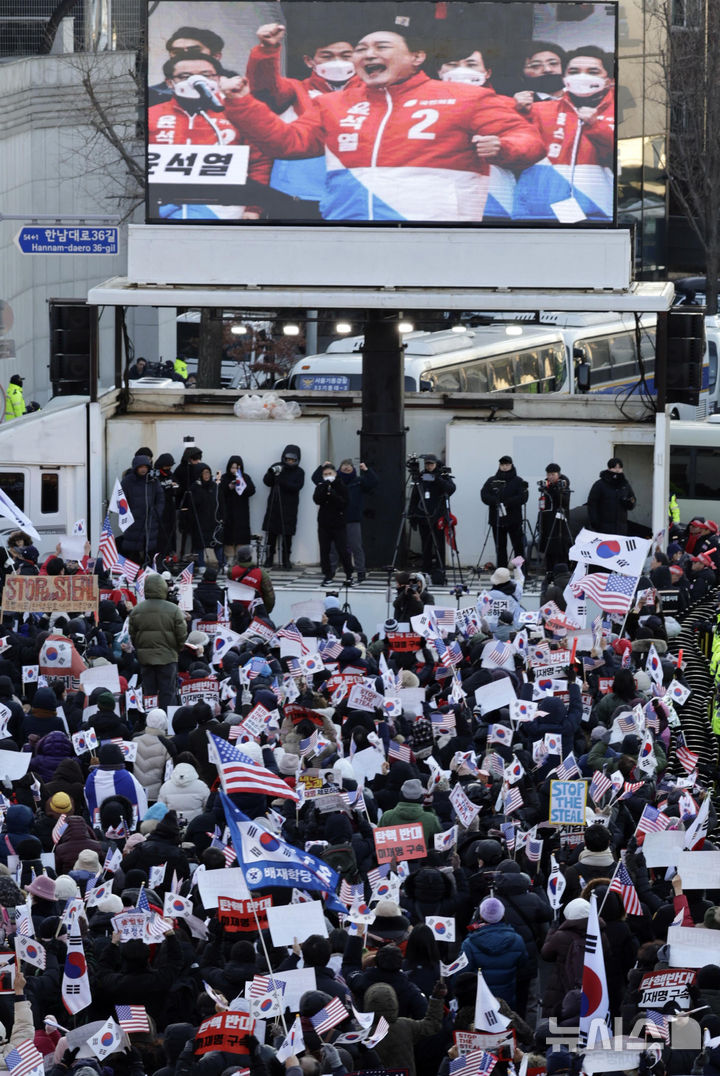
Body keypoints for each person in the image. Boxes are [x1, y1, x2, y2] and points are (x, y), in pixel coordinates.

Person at [224, 21, 545, 221]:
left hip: (438, 231)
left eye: (381, 47)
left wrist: (503, 148)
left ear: (416, 57)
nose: (367, 54)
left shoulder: (466, 97)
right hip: (350, 228)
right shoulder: (333, 103)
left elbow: (529, 140)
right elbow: (287, 142)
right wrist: (242, 103)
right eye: (361, 49)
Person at [245, 21, 360, 218]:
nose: (337, 61)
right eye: (327, 56)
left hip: (351, 192)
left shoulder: (372, 94)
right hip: (295, 193)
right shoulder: (295, 89)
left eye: (345, 56)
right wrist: (267, 49)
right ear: (309, 61)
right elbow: (264, 87)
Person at [147, 52, 270, 221]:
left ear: (218, 79)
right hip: (164, 208)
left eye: (206, 75)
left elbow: (260, 162)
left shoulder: (238, 113)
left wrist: (254, 208)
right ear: (169, 83)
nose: (196, 82)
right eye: (185, 76)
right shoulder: (151, 115)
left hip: (225, 210)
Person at [513, 46, 615, 222]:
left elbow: (626, 161)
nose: (582, 76)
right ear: (564, 78)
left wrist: (596, 126)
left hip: (598, 211)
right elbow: (515, 152)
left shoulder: (620, 112)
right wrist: (516, 111)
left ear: (609, 80)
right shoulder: (537, 110)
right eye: (574, 71)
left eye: (593, 71)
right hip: (539, 211)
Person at [128, 571, 188, 708]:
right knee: (168, 692)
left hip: (146, 658)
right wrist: (176, 649)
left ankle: (150, 720)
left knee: (149, 693)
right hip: (168, 657)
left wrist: (141, 650)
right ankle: (169, 722)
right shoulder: (174, 610)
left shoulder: (137, 610)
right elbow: (182, 634)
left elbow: (133, 636)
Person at [148, 25, 227, 106]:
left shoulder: (234, 90)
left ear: (216, 56)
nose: (185, 55)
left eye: (194, 51)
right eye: (177, 52)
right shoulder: (153, 94)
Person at [408, 455, 456, 585]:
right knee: (426, 544)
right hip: (423, 516)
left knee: (438, 543)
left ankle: (439, 568)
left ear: (436, 464)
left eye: (431, 464)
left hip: (438, 516)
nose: (429, 466)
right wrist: (412, 514)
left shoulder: (442, 476)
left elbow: (451, 489)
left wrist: (437, 479)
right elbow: (415, 496)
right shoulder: (422, 477)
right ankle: (426, 569)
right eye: (427, 464)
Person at [332, 459, 377, 582]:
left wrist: (367, 470)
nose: (346, 468)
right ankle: (330, 572)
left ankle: (361, 572)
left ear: (353, 468)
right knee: (334, 547)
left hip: (353, 519)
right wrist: (323, 467)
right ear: (339, 468)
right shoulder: (334, 480)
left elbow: (373, 482)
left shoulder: (358, 481)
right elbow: (316, 479)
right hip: (337, 519)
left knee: (356, 547)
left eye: (349, 466)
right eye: (344, 466)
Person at [481, 455, 528, 568]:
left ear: (511, 465)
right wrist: (496, 501)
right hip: (497, 521)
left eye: (507, 465)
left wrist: (507, 502)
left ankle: (520, 571)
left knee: (518, 547)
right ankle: (502, 572)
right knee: (500, 548)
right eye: (502, 465)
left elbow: (523, 497)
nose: (505, 467)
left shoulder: (518, 481)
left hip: (514, 520)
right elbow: (484, 495)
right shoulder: (492, 480)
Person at [262, 444, 305, 569]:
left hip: (290, 507)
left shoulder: (299, 472)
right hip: (274, 505)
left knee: (287, 535)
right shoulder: (277, 466)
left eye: (293, 459)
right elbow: (266, 481)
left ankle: (286, 559)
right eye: (288, 459)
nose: (290, 462)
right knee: (272, 534)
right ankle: (269, 559)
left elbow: (297, 487)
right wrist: (273, 474)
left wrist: (282, 481)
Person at [312, 461, 354, 588]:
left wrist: (333, 494)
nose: (327, 476)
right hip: (324, 524)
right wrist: (325, 487)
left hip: (339, 524)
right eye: (325, 474)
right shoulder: (321, 485)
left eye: (330, 473)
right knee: (324, 551)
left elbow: (344, 503)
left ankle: (349, 574)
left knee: (343, 550)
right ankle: (328, 575)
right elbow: (317, 499)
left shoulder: (341, 485)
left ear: (335, 474)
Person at [119, 453, 165, 564]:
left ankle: (148, 571)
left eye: (145, 467)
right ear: (136, 468)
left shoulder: (153, 481)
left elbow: (160, 498)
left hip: (150, 521)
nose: (143, 470)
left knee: (150, 548)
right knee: (133, 550)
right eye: (141, 467)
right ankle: (133, 573)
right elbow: (120, 500)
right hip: (133, 522)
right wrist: (129, 514)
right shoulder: (127, 481)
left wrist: (157, 512)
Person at [220, 455, 256, 566]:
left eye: (236, 468)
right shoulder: (224, 477)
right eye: (232, 467)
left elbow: (252, 491)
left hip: (242, 511)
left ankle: (241, 558)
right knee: (228, 535)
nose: (234, 470)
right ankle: (229, 558)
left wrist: (242, 485)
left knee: (241, 535)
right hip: (228, 510)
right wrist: (228, 487)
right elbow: (219, 491)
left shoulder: (245, 477)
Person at [587, 456, 637, 535]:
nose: (617, 470)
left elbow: (633, 500)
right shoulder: (600, 484)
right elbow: (592, 504)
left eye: (620, 467)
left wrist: (629, 502)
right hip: (604, 528)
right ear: (609, 468)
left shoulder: (625, 485)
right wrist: (595, 522)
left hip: (621, 528)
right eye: (614, 467)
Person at [188, 463, 224, 570]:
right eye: (204, 473)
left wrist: (222, 517)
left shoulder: (214, 486)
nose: (206, 475)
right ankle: (201, 564)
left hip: (214, 520)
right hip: (200, 521)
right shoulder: (194, 487)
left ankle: (222, 563)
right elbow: (193, 503)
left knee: (217, 543)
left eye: (208, 472)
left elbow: (221, 502)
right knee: (200, 544)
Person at [538, 462, 571, 571]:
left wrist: (557, 490)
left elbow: (565, 502)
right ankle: (549, 571)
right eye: (548, 474)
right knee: (549, 547)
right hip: (547, 521)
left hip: (560, 523)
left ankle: (563, 571)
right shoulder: (545, 485)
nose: (550, 477)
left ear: (558, 474)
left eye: (553, 474)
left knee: (561, 548)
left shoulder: (564, 485)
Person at [154, 452, 178, 558]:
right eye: (166, 466)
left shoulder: (171, 475)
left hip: (170, 508)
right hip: (160, 508)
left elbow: (177, 487)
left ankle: (170, 554)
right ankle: (160, 555)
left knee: (171, 531)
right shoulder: (155, 475)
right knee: (161, 533)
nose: (168, 468)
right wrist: (166, 486)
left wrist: (174, 487)